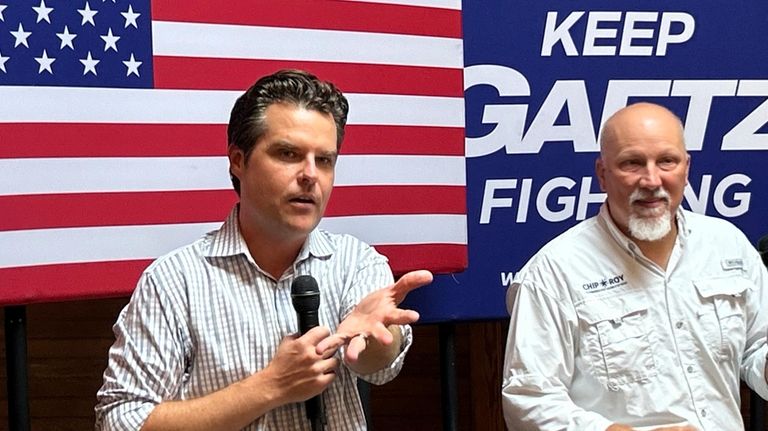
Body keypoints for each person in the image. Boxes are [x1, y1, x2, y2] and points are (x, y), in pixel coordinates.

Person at [95, 69, 433, 431]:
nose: (310, 175)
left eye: (324, 160)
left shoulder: (356, 262)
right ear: (238, 161)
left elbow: (378, 364)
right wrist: (270, 386)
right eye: (288, 154)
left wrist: (378, 338)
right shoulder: (174, 281)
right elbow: (121, 421)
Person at [501, 102, 768, 430]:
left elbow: (757, 348)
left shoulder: (727, 243)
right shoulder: (553, 272)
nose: (652, 179)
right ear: (602, 174)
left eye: (667, 161)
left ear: (686, 168)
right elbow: (528, 399)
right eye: (632, 163)